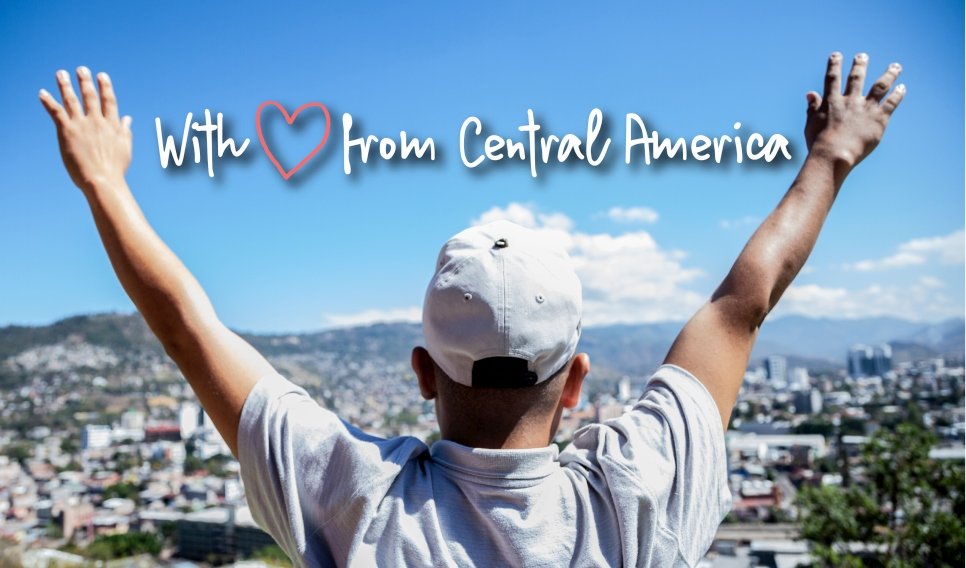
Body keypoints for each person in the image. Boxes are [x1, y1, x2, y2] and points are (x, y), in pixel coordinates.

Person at [38, 53, 904, 567]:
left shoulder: (358, 502)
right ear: (576, 384)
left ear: (420, 373)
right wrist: (829, 157)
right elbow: (738, 306)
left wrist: (104, 181)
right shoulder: (635, 495)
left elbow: (188, 326)